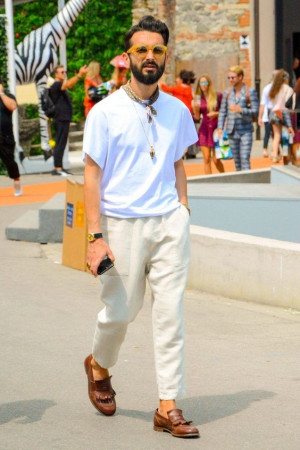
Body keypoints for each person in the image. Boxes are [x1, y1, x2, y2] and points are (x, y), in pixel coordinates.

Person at [83, 15, 200, 439]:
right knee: (122, 311)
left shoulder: (178, 109)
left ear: (165, 56)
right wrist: (94, 238)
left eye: (157, 50)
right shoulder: (105, 112)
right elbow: (91, 176)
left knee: (170, 314)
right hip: (121, 223)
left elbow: (177, 162)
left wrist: (183, 209)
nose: (150, 57)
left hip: (169, 222)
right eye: (142, 50)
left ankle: (168, 405)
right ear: (128, 56)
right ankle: (98, 364)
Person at [217, 65, 259, 171]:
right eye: (229, 78)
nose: (230, 80)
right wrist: (220, 127)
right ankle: (240, 186)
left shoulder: (250, 92)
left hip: (246, 130)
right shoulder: (227, 93)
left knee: (245, 159)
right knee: (237, 161)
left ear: (240, 77)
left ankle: (248, 185)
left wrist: (241, 110)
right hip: (231, 131)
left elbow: (256, 111)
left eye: (233, 77)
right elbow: (223, 111)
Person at [50, 64, 87, 175]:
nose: (64, 74)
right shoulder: (56, 85)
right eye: (62, 72)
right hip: (60, 118)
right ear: (56, 74)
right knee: (60, 143)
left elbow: (69, 85)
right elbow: (68, 84)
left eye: (65, 72)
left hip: (64, 119)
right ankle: (57, 168)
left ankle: (59, 166)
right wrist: (79, 75)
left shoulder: (60, 85)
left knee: (62, 143)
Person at [194, 74, 224, 174]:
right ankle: (209, 183)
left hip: (215, 129)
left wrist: (216, 113)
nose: (203, 85)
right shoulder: (198, 99)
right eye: (201, 83)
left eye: (205, 82)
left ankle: (225, 178)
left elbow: (224, 111)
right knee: (206, 159)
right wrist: (196, 111)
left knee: (216, 159)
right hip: (204, 130)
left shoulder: (217, 96)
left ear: (209, 84)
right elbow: (197, 119)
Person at [0, 80, 22, 196]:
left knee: (10, 162)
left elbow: (13, 106)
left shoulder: (8, 96)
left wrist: (1, 94)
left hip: (5, 136)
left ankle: (17, 181)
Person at [267, 69, 294, 163]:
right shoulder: (288, 89)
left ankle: (274, 154)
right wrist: (289, 123)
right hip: (281, 112)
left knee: (276, 135)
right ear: (286, 79)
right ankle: (287, 154)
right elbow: (286, 105)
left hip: (273, 112)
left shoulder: (274, 88)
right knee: (286, 134)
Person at [258, 71, 278, 158]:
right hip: (276, 113)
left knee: (267, 133)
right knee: (276, 133)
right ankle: (275, 151)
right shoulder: (280, 88)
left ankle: (265, 150)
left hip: (267, 114)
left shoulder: (266, 88)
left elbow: (262, 104)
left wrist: (260, 117)